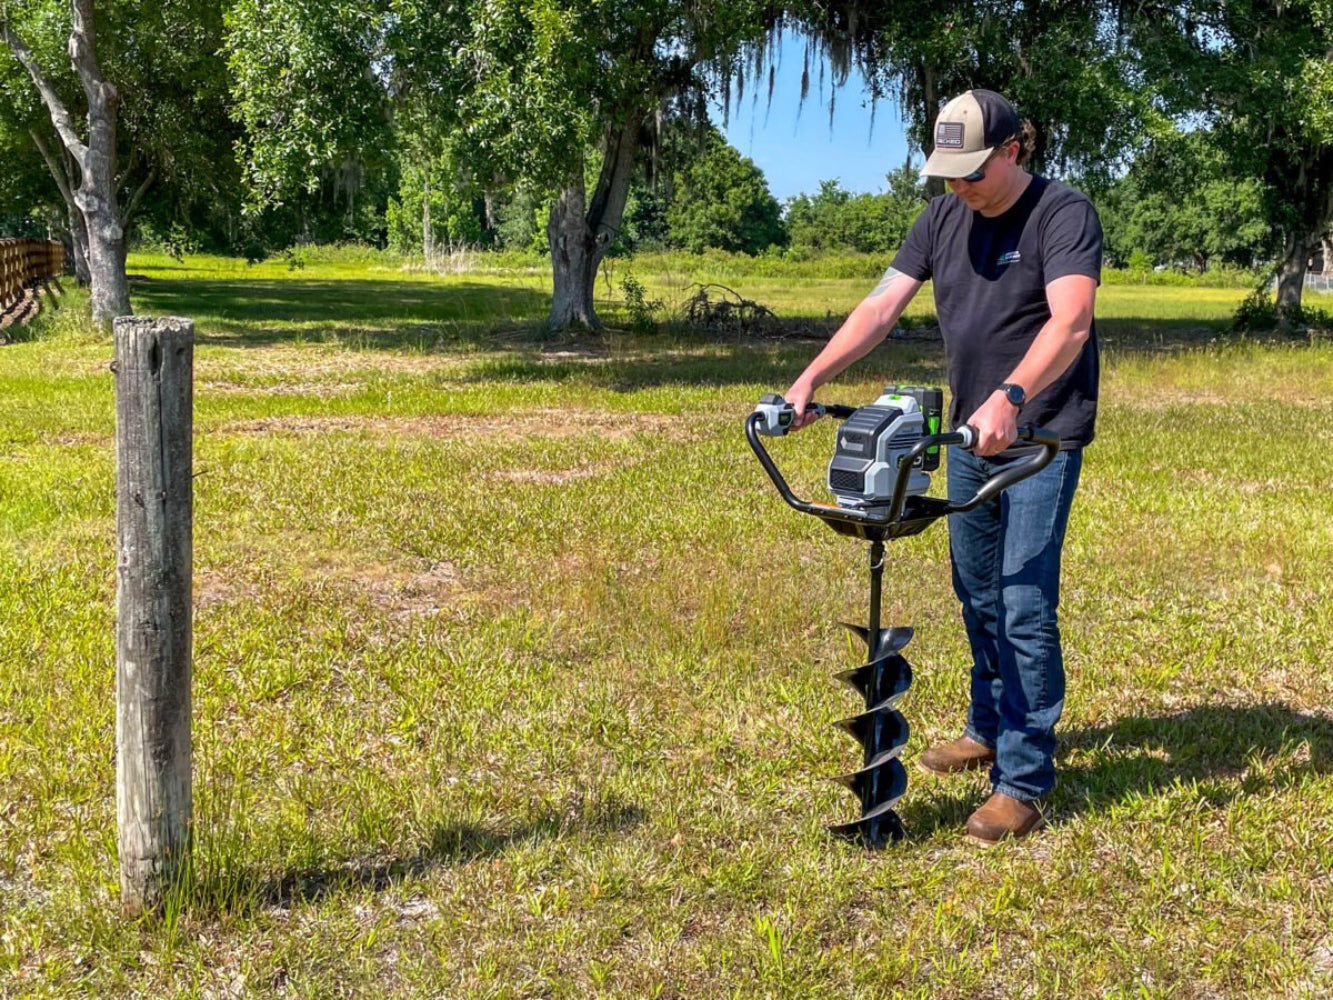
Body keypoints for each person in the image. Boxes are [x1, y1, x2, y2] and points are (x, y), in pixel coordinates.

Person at [783, 89, 1101, 846]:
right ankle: (984, 726)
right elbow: (880, 306)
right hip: (965, 438)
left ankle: (1022, 780)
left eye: (972, 170)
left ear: (1013, 149)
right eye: (947, 172)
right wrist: (810, 380)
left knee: (1022, 602)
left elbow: (1071, 320)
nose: (958, 186)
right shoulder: (941, 216)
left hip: (1039, 437)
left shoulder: (1062, 213)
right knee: (974, 594)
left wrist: (1012, 397)